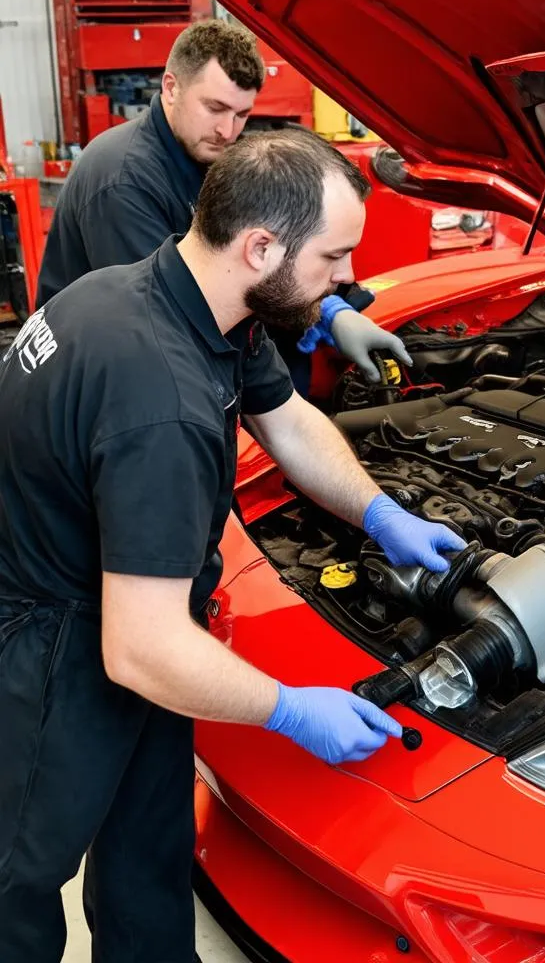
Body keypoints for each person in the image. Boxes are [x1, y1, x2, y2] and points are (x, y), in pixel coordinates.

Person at [0, 127, 466, 962]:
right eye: (334, 257)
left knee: (147, 846)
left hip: (111, 602)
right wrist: (289, 710)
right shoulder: (161, 402)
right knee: (16, 883)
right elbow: (140, 649)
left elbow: (284, 418)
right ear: (260, 246)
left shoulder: (176, 294)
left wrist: (382, 513)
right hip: (48, 651)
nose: (348, 280)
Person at [36, 17, 405, 384]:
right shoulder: (124, 181)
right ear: (171, 87)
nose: (227, 131)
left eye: (242, 114)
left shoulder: (201, 153)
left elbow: (270, 257)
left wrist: (333, 310)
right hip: (100, 372)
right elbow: (165, 316)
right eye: (214, 108)